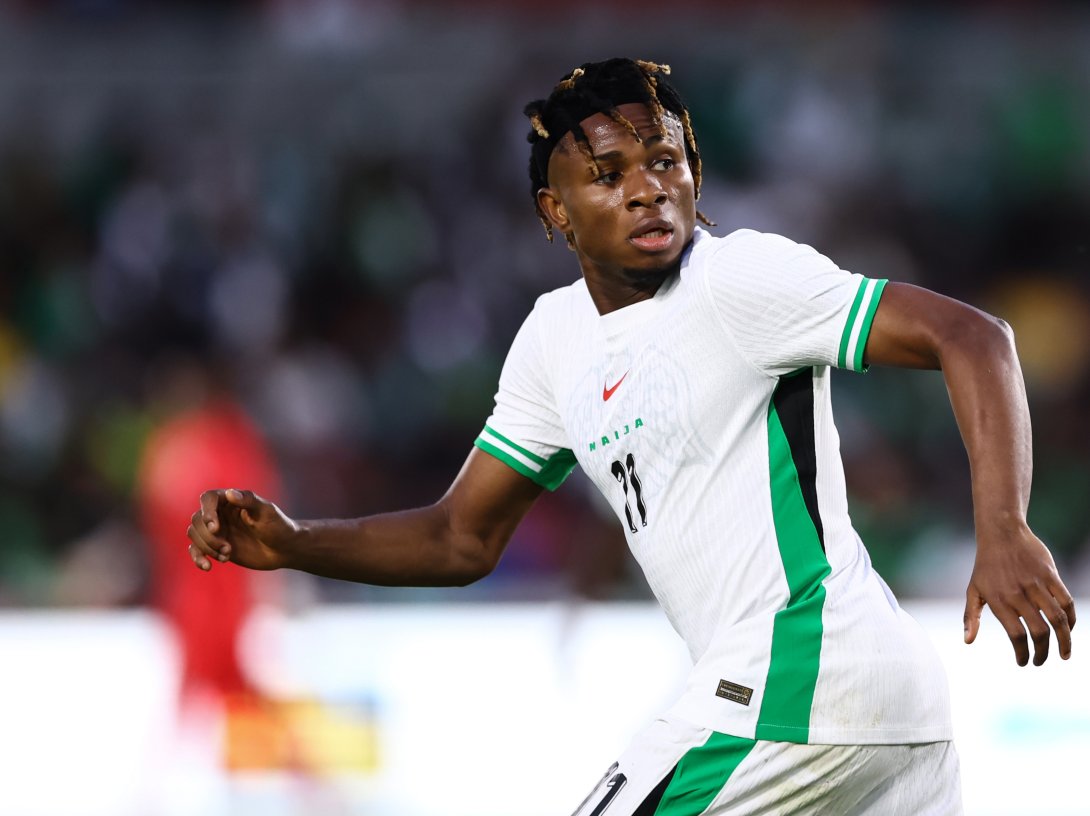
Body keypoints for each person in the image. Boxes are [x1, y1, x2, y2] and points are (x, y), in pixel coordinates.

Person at [186, 58, 1076, 814]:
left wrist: (1002, 525)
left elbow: (975, 337)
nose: (648, 186)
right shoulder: (554, 339)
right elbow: (460, 535)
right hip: (875, 715)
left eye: (666, 159)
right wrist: (296, 544)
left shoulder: (738, 279)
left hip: (795, 685)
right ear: (555, 213)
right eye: (609, 174)